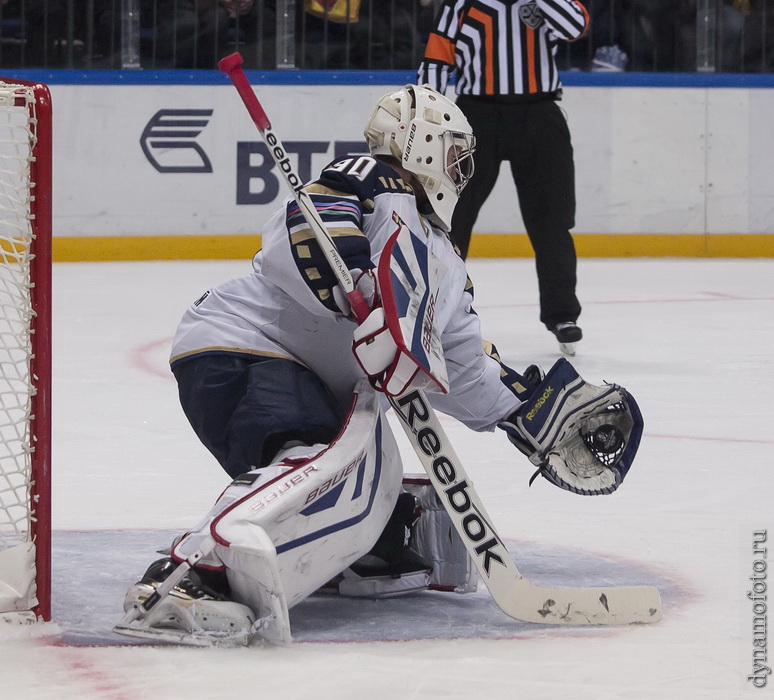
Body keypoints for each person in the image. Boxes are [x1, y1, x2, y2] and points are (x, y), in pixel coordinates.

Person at [113, 84, 643, 646]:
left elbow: (460, 370)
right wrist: (359, 283)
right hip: (243, 345)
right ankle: (189, 574)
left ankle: (362, 553)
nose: (465, 168)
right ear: (421, 145)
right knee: (327, 460)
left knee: (371, 477)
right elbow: (308, 224)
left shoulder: (445, 258)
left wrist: (526, 408)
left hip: (309, 377)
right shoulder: (372, 179)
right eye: (456, 152)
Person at [417, 0, 588, 355]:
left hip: (540, 114)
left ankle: (562, 315)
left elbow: (576, 27)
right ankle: (436, 309)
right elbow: (437, 57)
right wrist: (427, 113)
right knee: (450, 218)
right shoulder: (461, 3)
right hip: (476, 116)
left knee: (552, 221)